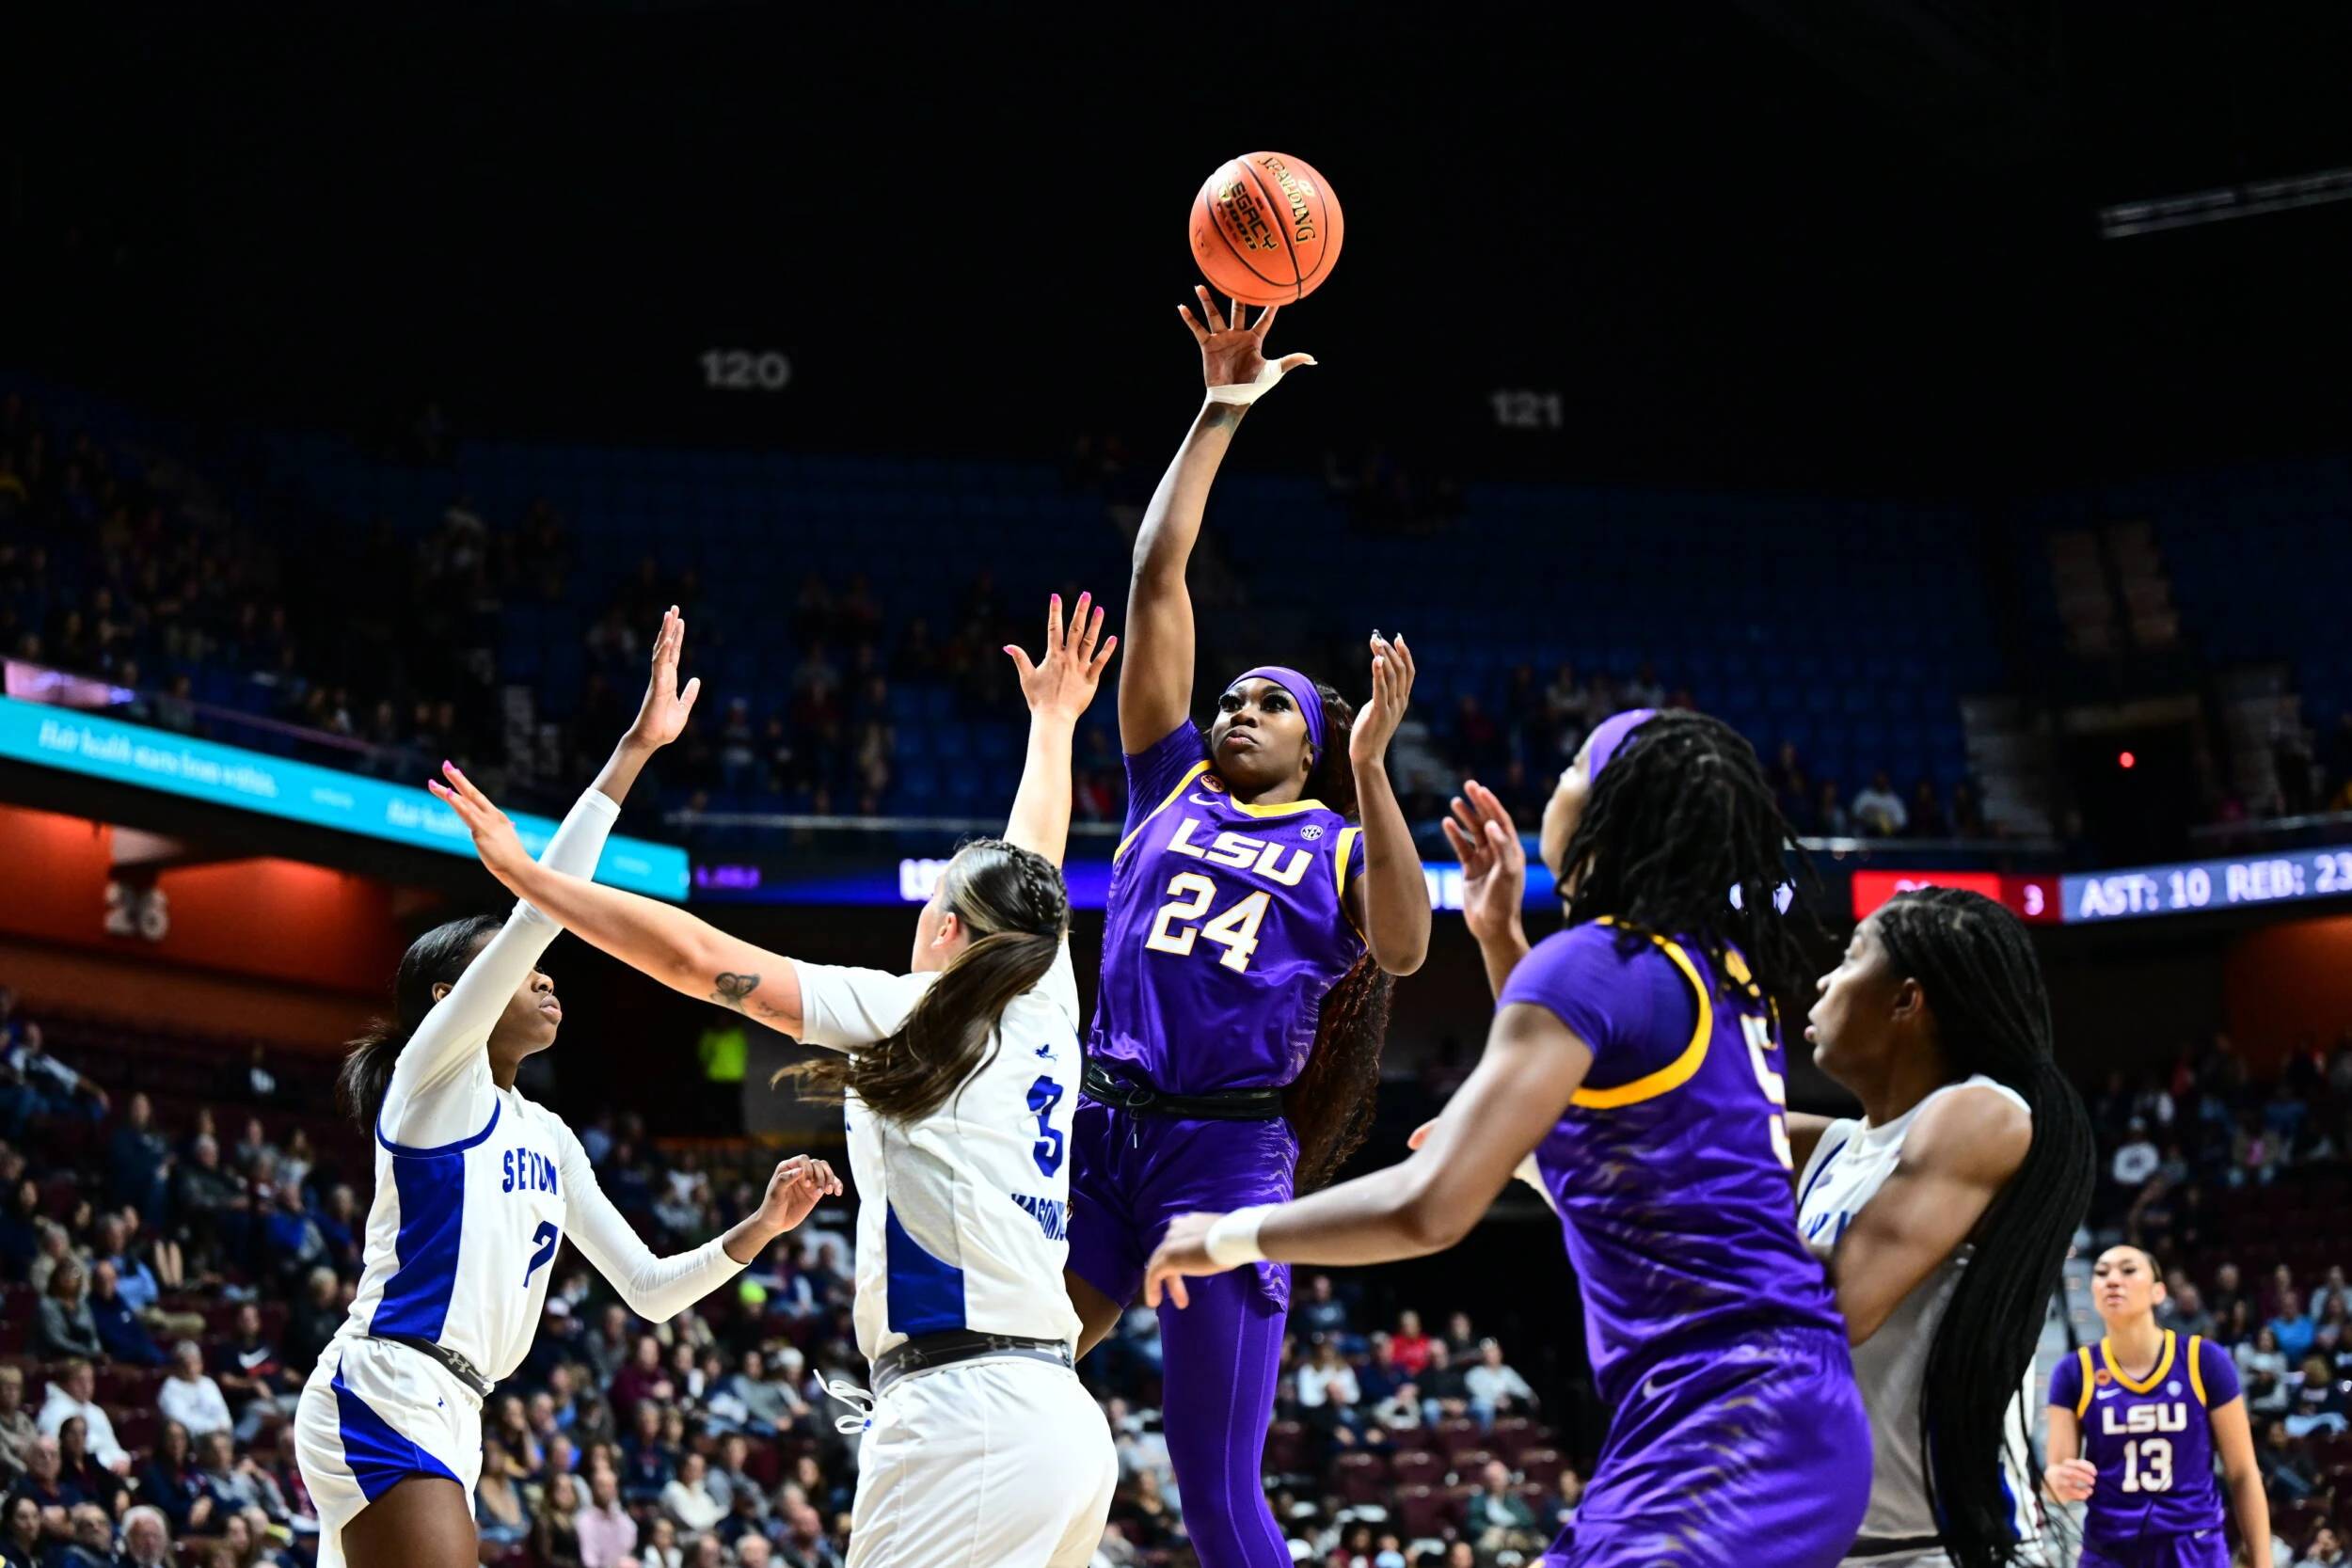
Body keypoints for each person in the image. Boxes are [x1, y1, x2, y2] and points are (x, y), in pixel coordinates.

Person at [432, 595, 1122, 1568]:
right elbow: (1033, 865)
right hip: (1057, 1420)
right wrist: (1052, 726)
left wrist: (533, 882)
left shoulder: (912, 1007)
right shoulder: (1045, 1000)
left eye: (936, 905)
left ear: (953, 934)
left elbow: (694, 955)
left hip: (965, 1416)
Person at [1144, 710, 1870, 1568]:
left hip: (1731, 1418)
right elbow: (1617, 1133)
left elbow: (1429, 1208)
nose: (1551, 786)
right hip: (1758, 1408)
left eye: (1569, 769)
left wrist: (1225, 1235)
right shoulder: (1711, 971)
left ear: (1610, 811)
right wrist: (1501, 941)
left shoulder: (1598, 965)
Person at [291, 609, 842, 1568]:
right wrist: (631, 753)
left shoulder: (546, 1134)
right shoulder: (429, 1079)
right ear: (449, 992)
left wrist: (760, 1227)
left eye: (547, 978)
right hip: (384, 1387)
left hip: (458, 1410)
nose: (545, 979)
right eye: (513, 969)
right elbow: (539, 923)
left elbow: (650, 1290)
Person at [1067, 293, 1431, 1568]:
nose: (1237, 706)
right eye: (1231, 693)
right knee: (995, 1388)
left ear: (1318, 745)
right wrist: (1219, 410)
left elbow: (1402, 947)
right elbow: (1157, 575)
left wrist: (1377, 773)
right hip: (1101, 1130)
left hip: (1222, 1164)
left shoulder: (1336, 842)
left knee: (1218, 1497)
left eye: (1269, 701)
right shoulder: (1163, 781)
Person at [1793, 887, 2098, 1568]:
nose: (1823, 979)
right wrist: (1503, 936)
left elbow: (1836, 1307)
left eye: (1849, 958)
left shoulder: (1982, 1113)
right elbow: (1583, 1135)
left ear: (1906, 1000)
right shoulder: (1829, 1149)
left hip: (1948, 1554)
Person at [2045, 1246, 2269, 1568]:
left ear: (2158, 1291)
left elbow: (2244, 1473)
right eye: (2101, 1272)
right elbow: (2055, 1477)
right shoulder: (2074, 1372)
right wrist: (2056, 1481)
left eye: (2127, 1270)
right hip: (2110, 1549)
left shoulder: (2204, 1361)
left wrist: (2263, 1563)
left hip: (2192, 1546)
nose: (2112, 1280)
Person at [160, 1339, 235, 1439]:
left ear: (201, 1363)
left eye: (195, 1363)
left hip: (218, 1436)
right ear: (177, 1366)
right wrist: (213, 1430)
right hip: (193, 1440)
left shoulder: (208, 1383)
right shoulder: (170, 1387)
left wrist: (223, 1428)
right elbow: (182, 1422)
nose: (191, 1369)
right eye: (186, 1364)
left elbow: (222, 1413)